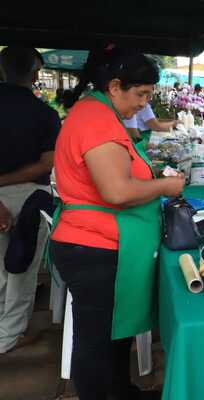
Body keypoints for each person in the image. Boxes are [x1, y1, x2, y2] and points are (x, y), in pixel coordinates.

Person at [49, 46, 184, 399]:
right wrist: (166, 185)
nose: (144, 104)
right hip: (92, 248)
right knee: (95, 341)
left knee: (114, 333)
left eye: (149, 96)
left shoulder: (101, 114)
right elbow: (117, 192)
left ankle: (121, 391)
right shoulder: (95, 120)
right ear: (114, 86)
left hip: (103, 244)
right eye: (140, 94)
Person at [0, 46, 61, 354]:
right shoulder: (45, 115)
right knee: (22, 268)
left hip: (17, 195)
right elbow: (46, 164)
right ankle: (8, 335)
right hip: (30, 196)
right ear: (36, 74)